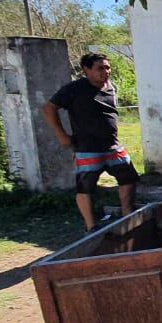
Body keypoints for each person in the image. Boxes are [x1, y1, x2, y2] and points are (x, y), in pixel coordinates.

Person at [41, 52, 140, 231]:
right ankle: (91, 226)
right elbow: (49, 109)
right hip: (88, 148)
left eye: (108, 67)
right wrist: (61, 135)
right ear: (87, 70)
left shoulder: (110, 87)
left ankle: (128, 214)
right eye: (100, 68)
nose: (106, 72)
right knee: (85, 187)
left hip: (113, 145)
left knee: (128, 177)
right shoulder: (74, 89)